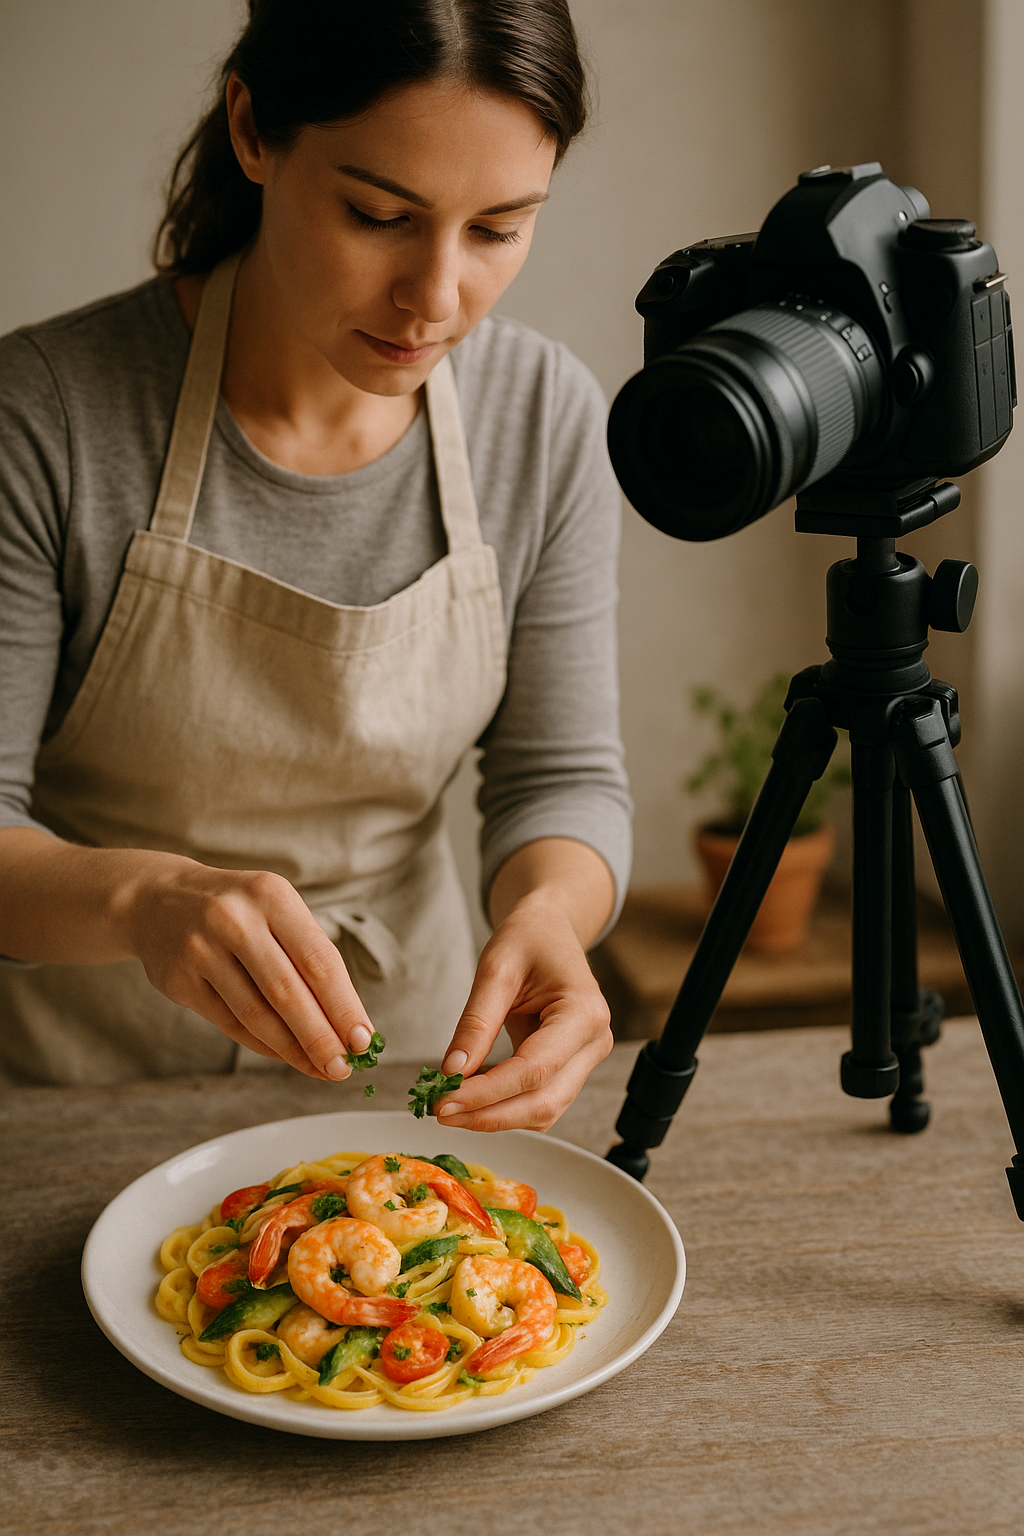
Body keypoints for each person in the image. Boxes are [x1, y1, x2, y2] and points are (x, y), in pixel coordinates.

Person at [0, 0, 631, 1131]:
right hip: (74, 1096)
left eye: (497, 230)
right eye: (379, 213)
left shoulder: (542, 416)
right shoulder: (44, 418)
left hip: (409, 1085)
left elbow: (560, 777)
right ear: (251, 128)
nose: (436, 298)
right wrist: (150, 901)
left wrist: (549, 914)